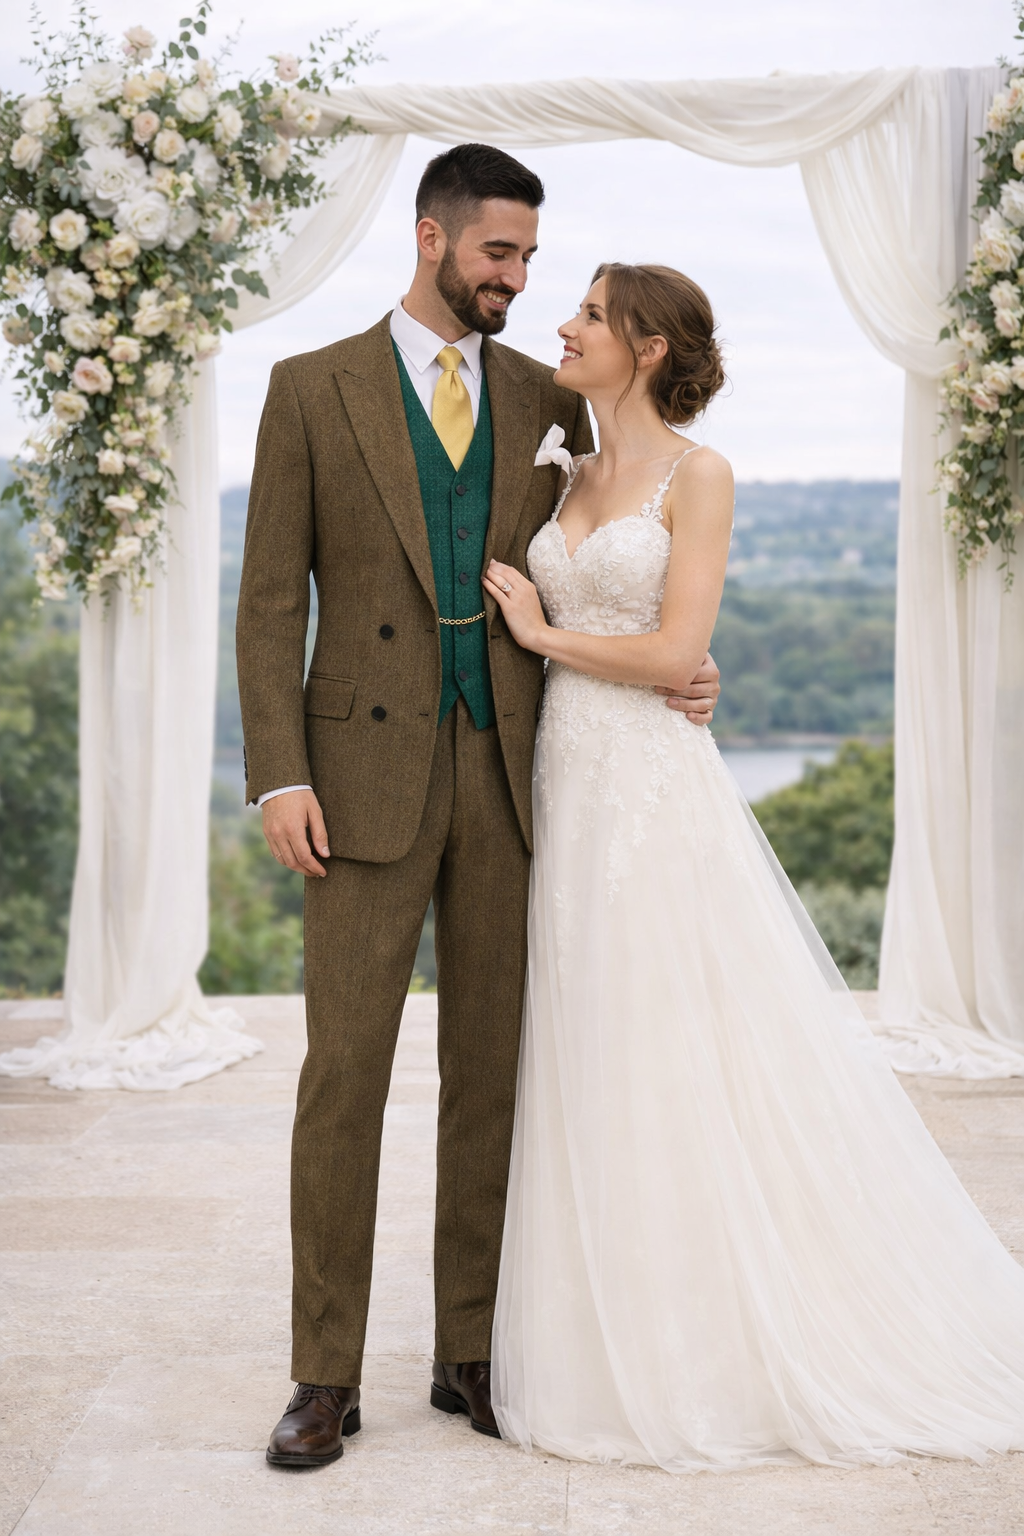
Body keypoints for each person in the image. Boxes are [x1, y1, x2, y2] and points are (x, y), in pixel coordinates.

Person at [485, 261, 1024, 1471]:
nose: (562, 324)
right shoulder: (557, 469)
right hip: (562, 781)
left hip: (648, 787)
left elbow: (676, 650)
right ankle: (593, 1323)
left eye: (588, 314)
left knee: (672, 1042)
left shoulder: (699, 474)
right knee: (585, 1039)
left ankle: (708, 1338)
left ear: (649, 348)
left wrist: (541, 630)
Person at [235, 147, 721, 1469]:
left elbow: (619, 563)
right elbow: (271, 601)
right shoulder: (310, 388)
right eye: (500, 253)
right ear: (432, 237)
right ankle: (323, 1374)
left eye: (530, 260)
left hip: (517, 773)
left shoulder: (545, 397)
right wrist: (280, 773)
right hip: (355, 784)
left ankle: (472, 1349)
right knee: (345, 1074)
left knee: (494, 1074)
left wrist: (687, 664)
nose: (518, 280)